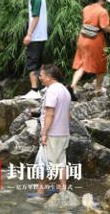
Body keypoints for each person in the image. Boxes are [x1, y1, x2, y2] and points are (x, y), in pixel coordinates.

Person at [37, 64, 71, 195]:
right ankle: (63, 191)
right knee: (61, 162)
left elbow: (50, 113)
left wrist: (44, 133)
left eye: (42, 75)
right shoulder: (65, 90)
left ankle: (40, 193)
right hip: (63, 134)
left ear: (49, 77)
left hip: (52, 133)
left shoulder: (51, 90)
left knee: (44, 163)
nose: (40, 78)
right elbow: (68, 114)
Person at [71, 0, 110, 94]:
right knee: (101, 64)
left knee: (81, 63)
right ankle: (98, 88)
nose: (105, 2)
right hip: (95, 40)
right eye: (104, 0)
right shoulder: (102, 11)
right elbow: (104, 27)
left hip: (82, 38)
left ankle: (73, 85)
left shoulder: (86, 9)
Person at [22, 0, 48, 98]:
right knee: (37, 62)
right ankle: (41, 89)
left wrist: (29, 34)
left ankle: (34, 90)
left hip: (36, 36)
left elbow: (35, 17)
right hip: (41, 35)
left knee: (31, 62)